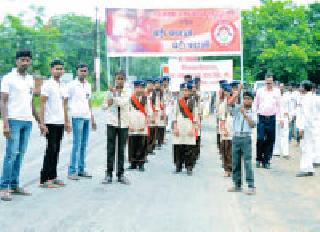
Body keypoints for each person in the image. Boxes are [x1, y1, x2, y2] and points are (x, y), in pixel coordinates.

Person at [0, 50, 40, 201]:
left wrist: (39, 122)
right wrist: (5, 124)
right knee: (11, 154)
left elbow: (30, 102)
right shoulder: (8, 78)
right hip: (14, 120)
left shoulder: (30, 79)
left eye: (27, 60)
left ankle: (14, 185)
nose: (25, 62)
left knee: (20, 154)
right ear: (17, 61)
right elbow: (2, 101)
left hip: (27, 121)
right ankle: (4, 187)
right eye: (22, 60)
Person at [39, 59, 70, 188]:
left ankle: (53, 176)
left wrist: (67, 122)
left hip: (60, 123)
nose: (59, 71)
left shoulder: (63, 85)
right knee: (50, 149)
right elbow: (42, 104)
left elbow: (65, 105)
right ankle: (44, 179)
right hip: (50, 122)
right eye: (57, 68)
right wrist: (42, 123)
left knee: (56, 150)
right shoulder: (47, 84)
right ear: (51, 70)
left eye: (61, 68)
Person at [66, 64, 97, 181]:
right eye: (81, 71)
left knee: (84, 144)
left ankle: (81, 169)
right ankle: (72, 171)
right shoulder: (71, 85)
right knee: (76, 144)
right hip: (76, 117)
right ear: (77, 71)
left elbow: (89, 102)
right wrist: (67, 120)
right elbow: (65, 101)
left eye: (85, 71)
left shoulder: (88, 85)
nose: (83, 73)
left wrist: (92, 118)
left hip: (86, 117)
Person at [102, 71, 130, 184]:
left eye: (121, 78)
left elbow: (122, 103)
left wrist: (114, 94)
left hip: (123, 124)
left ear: (124, 80)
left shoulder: (127, 91)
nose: (119, 81)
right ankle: (108, 174)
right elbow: (103, 106)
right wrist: (107, 104)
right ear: (115, 79)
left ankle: (121, 174)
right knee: (110, 149)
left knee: (121, 150)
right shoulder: (109, 92)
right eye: (117, 78)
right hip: (111, 123)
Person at [228, 91, 256, 195]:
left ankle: (251, 185)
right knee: (235, 162)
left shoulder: (253, 111)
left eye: (249, 98)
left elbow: (253, 124)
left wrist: (245, 114)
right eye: (245, 98)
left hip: (246, 138)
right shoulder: (238, 108)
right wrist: (237, 92)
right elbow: (230, 105)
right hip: (236, 137)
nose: (246, 100)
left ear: (252, 100)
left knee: (247, 162)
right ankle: (237, 184)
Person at [255, 74, 280, 169]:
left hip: (272, 118)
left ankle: (267, 160)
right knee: (260, 139)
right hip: (261, 118)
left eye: (271, 82)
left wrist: (280, 118)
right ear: (265, 81)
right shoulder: (260, 91)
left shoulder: (277, 92)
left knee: (270, 140)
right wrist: (255, 116)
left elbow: (279, 106)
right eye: (267, 82)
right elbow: (255, 104)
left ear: (273, 82)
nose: (269, 84)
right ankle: (258, 158)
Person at [172, 82, 198, 176]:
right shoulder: (178, 101)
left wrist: (193, 129)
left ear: (190, 91)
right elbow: (174, 116)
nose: (185, 92)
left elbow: (195, 116)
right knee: (178, 147)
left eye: (187, 90)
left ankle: (189, 167)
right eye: (184, 90)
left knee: (189, 147)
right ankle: (178, 166)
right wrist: (175, 128)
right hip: (179, 125)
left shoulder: (193, 101)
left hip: (189, 125)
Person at [296, 81, 317, 177]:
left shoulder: (306, 99)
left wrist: (302, 128)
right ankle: (309, 168)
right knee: (308, 148)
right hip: (310, 127)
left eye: (300, 86)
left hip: (306, 127)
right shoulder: (311, 97)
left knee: (305, 148)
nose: (299, 88)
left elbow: (306, 115)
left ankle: (305, 169)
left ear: (304, 88)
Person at [128, 80, 148, 172]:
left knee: (142, 144)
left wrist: (145, 124)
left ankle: (141, 163)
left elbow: (148, 112)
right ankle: (132, 163)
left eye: (141, 87)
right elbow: (126, 111)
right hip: (132, 123)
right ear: (134, 88)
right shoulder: (130, 98)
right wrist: (128, 124)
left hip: (142, 124)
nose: (139, 89)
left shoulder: (146, 99)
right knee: (132, 144)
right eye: (137, 87)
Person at [273, 83, 290, 159]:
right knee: (276, 135)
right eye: (280, 87)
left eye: (282, 87)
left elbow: (290, 107)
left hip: (285, 117)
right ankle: (276, 151)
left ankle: (285, 153)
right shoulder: (275, 96)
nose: (281, 88)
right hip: (276, 117)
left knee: (285, 135)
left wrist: (289, 115)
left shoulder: (287, 96)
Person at [219, 83, 233, 177]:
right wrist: (224, 129)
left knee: (233, 151)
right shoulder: (223, 104)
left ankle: (233, 168)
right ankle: (227, 169)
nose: (227, 93)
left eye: (229, 92)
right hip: (227, 130)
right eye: (226, 92)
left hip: (235, 130)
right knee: (226, 150)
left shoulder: (235, 103)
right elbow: (222, 119)